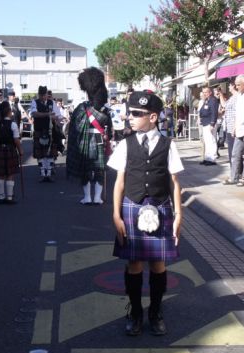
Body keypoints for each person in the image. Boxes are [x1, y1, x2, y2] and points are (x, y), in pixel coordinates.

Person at [107, 90, 183, 337]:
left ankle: (156, 311)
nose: (130, 117)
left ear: (153, 117)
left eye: (136, 114)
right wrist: (116, 215)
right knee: (134, 263)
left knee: (158, 263)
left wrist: (179, 215)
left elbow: (174, 182)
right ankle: (136, 312)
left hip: (160, 206)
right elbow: (119, 182)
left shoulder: (168, 144)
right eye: (130, 112)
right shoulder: (125, 144)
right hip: (132, 205)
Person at [66, 67, 112, 204]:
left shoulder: (81, 108)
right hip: (98, 138)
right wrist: (107, 137)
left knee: (86, 169)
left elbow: (74, 127)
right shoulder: (105, 110)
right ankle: (97, 198)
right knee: (99, 169)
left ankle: (87, 197)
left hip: (84, 141)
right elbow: (109, 129)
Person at [0, 101, 23, 204]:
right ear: (8, 112)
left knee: (0, 174)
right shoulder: (13, 124)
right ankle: (9, 197)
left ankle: (1, 197)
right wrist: (20, 150)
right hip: (10, 150)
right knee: (10, 174)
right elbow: (16, 140)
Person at [30, 86, 59, 182]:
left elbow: (57, 115)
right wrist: (47, 114)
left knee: (50, 154)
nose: (43, 97)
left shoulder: (52, 102)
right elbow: (34, 114)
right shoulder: (35, 102)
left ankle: (49, 174)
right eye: (41, 95)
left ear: (47, 94)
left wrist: (54, 117)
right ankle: (43, 174)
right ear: (39, 95)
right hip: (39, 130)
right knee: (41, 154)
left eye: (44, 95)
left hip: (50, 130)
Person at [198, 86, 219, 165]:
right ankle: (207, 158)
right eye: (203, 92)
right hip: (205, 123)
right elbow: (202, 110)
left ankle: (212, 159)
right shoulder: (207, 100)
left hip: (210, 123)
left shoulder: (213, 100)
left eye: (206, 92)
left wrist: (212, 123)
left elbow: (214, 113)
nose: (204, 94)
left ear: (210, 92)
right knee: (207, 141)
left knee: (211, 141)